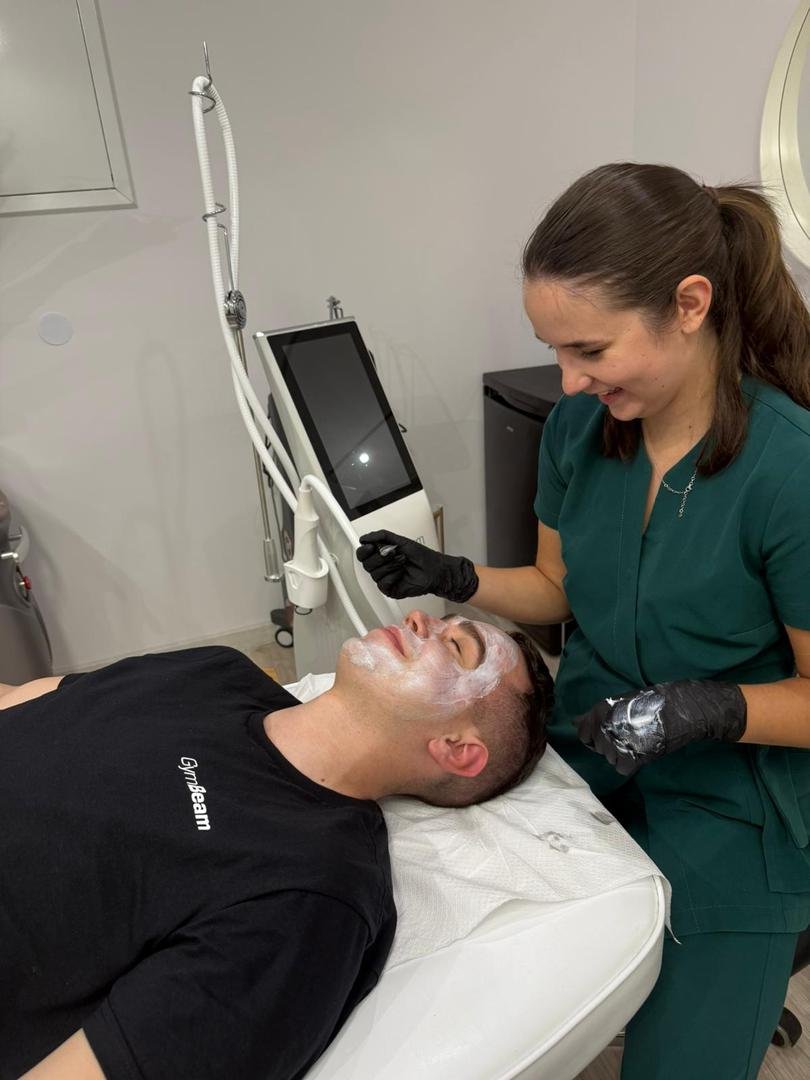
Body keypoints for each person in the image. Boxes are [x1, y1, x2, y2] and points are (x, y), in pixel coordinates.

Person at [357, 162, 810, 1080]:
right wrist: (454, 576)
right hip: (590, 735)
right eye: (553, 349)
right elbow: (556, 589)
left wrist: (709, 708)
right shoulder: (580, 432)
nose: (567, 381)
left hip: (737, 799)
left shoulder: (789, 473)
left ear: (690, 305)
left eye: (590, 350)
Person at [0, 609, 551, 1080]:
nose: (419, 617)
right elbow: (21, 701)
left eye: (456, 646)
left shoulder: (311, 894)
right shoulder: (217, 671)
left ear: (458, 749)